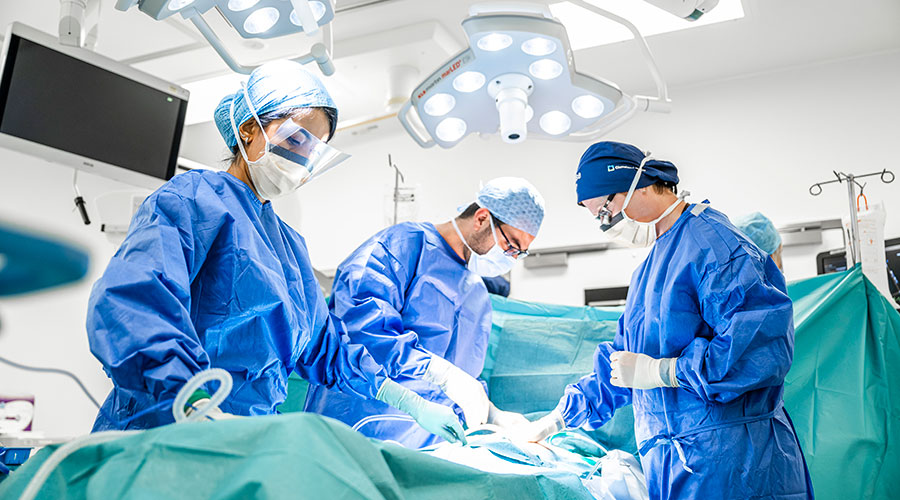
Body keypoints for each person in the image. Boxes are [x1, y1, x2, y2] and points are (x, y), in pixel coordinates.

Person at [86, 60, 464, 444]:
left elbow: (326, 349)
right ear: (248, 129)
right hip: (165, 432)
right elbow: (133, 303)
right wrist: (192, 401)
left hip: (247, 440)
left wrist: (404, 398)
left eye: (314, 151)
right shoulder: (192, 199)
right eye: (297, 140)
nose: (303, 159)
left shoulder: (289, 247)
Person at [511, 141, 813, 499]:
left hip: (736, 466)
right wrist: (560, 417)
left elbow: (757, 352)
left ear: (635, 185)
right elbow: (622, 365)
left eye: (605, 213)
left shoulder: (717, 246)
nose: (606, 226)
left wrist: (663, 372)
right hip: (673, 466)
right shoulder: (650, 269)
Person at [305, 178, 545, 447]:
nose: (510, 257)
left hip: (427, 447)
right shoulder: (401, 247)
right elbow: (360, 333)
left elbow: (462, 383)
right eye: (510, 245)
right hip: (355, 432)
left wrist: (494, 415)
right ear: (481, 218)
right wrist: (440, 373)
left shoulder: (476, 294)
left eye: (519, 253)